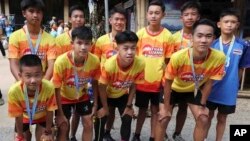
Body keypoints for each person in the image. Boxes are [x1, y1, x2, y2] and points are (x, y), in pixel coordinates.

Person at [154, 19, 226, 141]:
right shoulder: (178, 57)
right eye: (199, 36)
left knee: (203, 118)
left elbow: (209, 82)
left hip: (192, 89)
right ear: (192, 38)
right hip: (172, 88)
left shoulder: (219, 57)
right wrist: (166, 108)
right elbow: (168, 82)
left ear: (213, 38)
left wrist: (203, 104)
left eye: (208, 36)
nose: (203, 40)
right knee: (163, 117)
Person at [206, 8, 250, 141]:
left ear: (237, 25)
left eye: (233, 22)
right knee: (207, 116)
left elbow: (241, 68)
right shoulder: (211, 44)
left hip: (228, 90)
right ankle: (203, 138)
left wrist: (235, 84)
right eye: (226, 21)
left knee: (222, 117)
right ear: (219, 24)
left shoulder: (243, 45)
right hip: (210, 88)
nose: (229, 24)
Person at [132, 1, 173, 141]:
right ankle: (136, 135)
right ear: (147, 15)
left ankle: (152, 136)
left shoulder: (168, 36)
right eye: (151, 13)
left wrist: (165, 81)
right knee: (142, 110)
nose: (153, 16)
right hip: (141, 82)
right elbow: (135, 59)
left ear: (163, 15)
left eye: (157, 13)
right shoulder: (140, 34)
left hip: (159, 84)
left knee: (156, 111)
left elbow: (168, 62)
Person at [52, 26, 100, 141]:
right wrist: (59, 113)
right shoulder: (61, 61)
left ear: (91, 44)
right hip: (63, 97)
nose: (83, 47)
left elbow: (95, 82)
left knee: (89, 123)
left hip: (82, 96)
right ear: (72, 44)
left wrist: (95, 104)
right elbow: (56, 89)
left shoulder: (94, 61)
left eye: (87, 43)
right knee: (63, 126)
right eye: (79, 43)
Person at [97, 31, 145, 141]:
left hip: (122, 94)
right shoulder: (109, 65)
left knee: (127, 117)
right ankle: (102, 136)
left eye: (133, 48)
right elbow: (102, 88)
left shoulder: (140, 63)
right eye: (125, 48)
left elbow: (134, 85)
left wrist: (129, 106)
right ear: (117, 48)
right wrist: (105, 108)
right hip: (106, 95)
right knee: (101, 118)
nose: (130, 52)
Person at [165, 1, 201, 140]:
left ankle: (177, 133)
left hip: (191, 83)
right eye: (186, 15)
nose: (190, 17)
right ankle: (164, 133)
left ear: (198, 17)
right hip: (174, 82)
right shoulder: (173, 38)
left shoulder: (201, 38)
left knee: (183, 109)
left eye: (193, 14)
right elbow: (167, 61)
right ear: (182, 18)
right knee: (168, 108)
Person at [92, 7, 127, 141]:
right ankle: (99, 137)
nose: (119, 22)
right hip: (104, 87)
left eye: (122, 19)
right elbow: (95, 63)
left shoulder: (129, 39)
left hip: (122, 87)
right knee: (103, 113)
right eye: (116, 19)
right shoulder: (101, 41)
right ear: (110, 20)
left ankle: (107, 132)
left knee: (120, 114)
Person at [8, 54, 57, 141]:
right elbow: (18, 117)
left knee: (46, 139)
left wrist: (48, 132)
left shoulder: (49, 87)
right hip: (24, 118)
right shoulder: (14, 91)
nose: (33, 80)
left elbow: (50, 111)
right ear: (20, 76)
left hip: (43, 117)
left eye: (37, 75)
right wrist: (20, 136)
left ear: (42, 74)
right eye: (28, 76)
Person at [55, 5, 85, 141]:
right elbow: (58, 63)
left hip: (81, 86)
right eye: (76, 16)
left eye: (81, 17)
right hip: (64, 86)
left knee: (78, 114)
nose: (79, 19)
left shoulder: (87, 39)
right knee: (64, 121)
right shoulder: (61, 39)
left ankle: (73, 136)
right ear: (70, 19)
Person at [8, 0, 56, 81]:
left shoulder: (50, 39)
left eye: (38, 12)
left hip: (43, 86)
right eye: (31, 11)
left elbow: (51, 65)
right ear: (24, 13)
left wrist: (42, 86)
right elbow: (13, 64)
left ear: (42, 14)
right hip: (22, 86)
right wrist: (23, 84)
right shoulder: (15, 37)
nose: (35, 15)